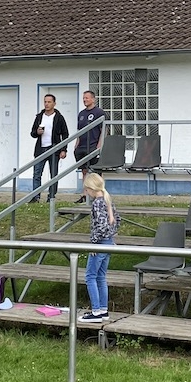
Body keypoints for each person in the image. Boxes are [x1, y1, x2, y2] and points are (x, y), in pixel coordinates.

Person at [79, 172, 119, 323]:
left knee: (90, 277)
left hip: (100, 244)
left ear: (91, 188)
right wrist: (111, 236)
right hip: (108, 242)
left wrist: (94, 242)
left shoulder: (97, 203)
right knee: (101, 277)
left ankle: (96, 311)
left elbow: (101, 226)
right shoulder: (108, 200)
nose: (86, 193)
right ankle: (103, 310)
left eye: (86, 190)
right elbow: (117, 220)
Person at [28, 94, 68, 203]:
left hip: (54, 149)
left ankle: (51, 197)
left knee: (53, 174)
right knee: (37, 174)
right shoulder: (39, 116)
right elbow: (32, 133)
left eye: (49, 102)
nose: (46, 104)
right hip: (40, 149)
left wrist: (63, 149)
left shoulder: (59, 117)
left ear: (54, 104)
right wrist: (37, 132)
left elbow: (65, 134)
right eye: (45, 102)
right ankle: (36, 197)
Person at [73, 90, 106, 203]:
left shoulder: (99, 112)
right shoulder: (81, 114)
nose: (84, 100)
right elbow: (79, 131)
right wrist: (76, 145)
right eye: (83, 98)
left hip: (93, 146)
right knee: (84, 171)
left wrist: (99, 145)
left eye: (87, 98)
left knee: (96, 171)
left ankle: (99, 194)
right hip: (82, 146)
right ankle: (85, 194)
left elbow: (103, 130)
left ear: (93, 99)